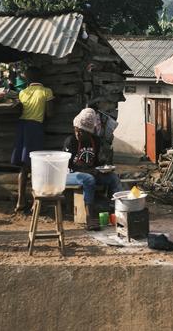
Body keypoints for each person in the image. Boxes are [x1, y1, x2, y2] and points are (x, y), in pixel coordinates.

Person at [64, 108, 123, 230]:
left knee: (113, 178)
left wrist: (104, 165)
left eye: (81, 132)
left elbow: (96, 163)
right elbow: (67, 166)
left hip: (90, 172)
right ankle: (90, 217)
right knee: (88, 179)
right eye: (76, 131)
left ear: (89, 132)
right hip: (70, 175)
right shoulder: (70, 142)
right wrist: (88, 171)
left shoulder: (95, 141)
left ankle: (118, 211)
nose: (78, 134)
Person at [11, 67, 55, 213]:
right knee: (36, 167)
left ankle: (20, 202)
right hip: (35, 128)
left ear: (27, 80)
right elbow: (50, 114)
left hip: (22, 128)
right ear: (41, 78)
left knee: (23, 167)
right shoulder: (46, 92)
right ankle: (35, 203)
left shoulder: (22, 93)